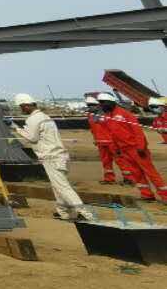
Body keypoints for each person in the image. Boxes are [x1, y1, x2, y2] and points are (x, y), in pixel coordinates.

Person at [9, 93, 89, 222]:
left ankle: (84, 213)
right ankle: (63, 212)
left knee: (62, 187)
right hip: (59, 155)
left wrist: (16, 128)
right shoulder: (46, 117)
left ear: (26, 105)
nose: (21, 109)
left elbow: (32, 138)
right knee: (58, 186)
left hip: (51, 157)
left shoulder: (33, 119)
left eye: (21, 107)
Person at [99, 93, 167, 201]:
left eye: (103, 103)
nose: (101, 105)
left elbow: (137, 131)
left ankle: (165, 196)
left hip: (136, 148)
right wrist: (116, 149)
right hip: (124, 150)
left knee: (151, 173)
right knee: (136, 173)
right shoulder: (108, 117)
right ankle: (147, 195)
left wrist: (141, 146)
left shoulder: (125, 114)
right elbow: (112, 134)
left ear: (111, 102)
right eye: (100, 103)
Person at [87, 95, 119, 184]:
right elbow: (93, 129)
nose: (90, 107)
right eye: (89, 105)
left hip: (111, 141)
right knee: (106, 161)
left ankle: (128, 178)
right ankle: (109, 179)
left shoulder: (108, 114)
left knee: (120, 160)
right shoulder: (90, 115)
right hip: (100, 142)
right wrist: (95, 139)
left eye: (92, 105)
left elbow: (114, 128)